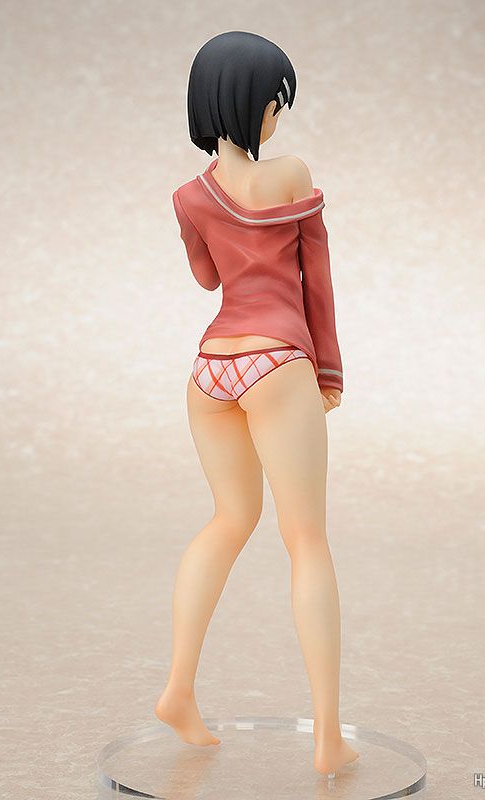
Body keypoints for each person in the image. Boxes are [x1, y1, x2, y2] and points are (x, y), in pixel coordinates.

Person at [155, 30, 359, 776]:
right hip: (279, 362)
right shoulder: (292, 174)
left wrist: (216, 228)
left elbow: (208, 279)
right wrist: (327, 371)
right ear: (253, 102)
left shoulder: (189, 196)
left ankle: (178, 689)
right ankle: (327, 734)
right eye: (276, 99)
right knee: (307, 541)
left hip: (211, 370)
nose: (279, 114)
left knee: (228, 519)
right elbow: (316, 282)